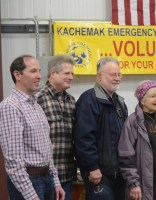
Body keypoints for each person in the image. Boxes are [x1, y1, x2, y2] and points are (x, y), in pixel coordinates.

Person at [0, 55, 65, 200]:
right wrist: (31, 196)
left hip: (46, 178)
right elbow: (13, 162)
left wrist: (55, 182)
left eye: (39, 71)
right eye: (33, 71)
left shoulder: (36, 105)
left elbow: (47, 148)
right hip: (29, 182)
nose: (39, 76)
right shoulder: (10, 107)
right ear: (17, 75)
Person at [73, 57, 128, 200]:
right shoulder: (88, 100)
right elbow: (84, 138)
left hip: (119, 173)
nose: (117, 78)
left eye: (119, 74)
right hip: (99, 174)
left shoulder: (120, 102)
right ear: (99, 76)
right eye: (112, 75)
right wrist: (92, 167)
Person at [118, 80, 156, 200]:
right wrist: (133, 184)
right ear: (142, 100)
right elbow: (126, 156)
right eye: (153, 96)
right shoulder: (132, 122)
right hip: (142, 185)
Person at [35, 55, 76, 200]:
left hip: (66, 174)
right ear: (53, 73)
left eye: (72, 74)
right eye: (67, 73)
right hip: (43, 176)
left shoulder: (71, 100)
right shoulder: (37, 98)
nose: (71, 77)